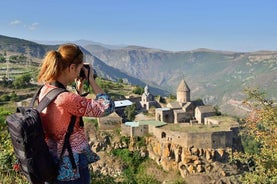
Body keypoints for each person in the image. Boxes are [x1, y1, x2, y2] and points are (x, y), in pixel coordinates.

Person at [37, 43, 114, 184]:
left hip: (52, 163)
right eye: (79, 68)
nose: (80, 72)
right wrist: (91, 80)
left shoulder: (44, 90)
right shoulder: (66, 98)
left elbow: (68, 114)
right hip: (71, 169)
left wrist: (79, 89)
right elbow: (107, 107)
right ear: (72, 67)